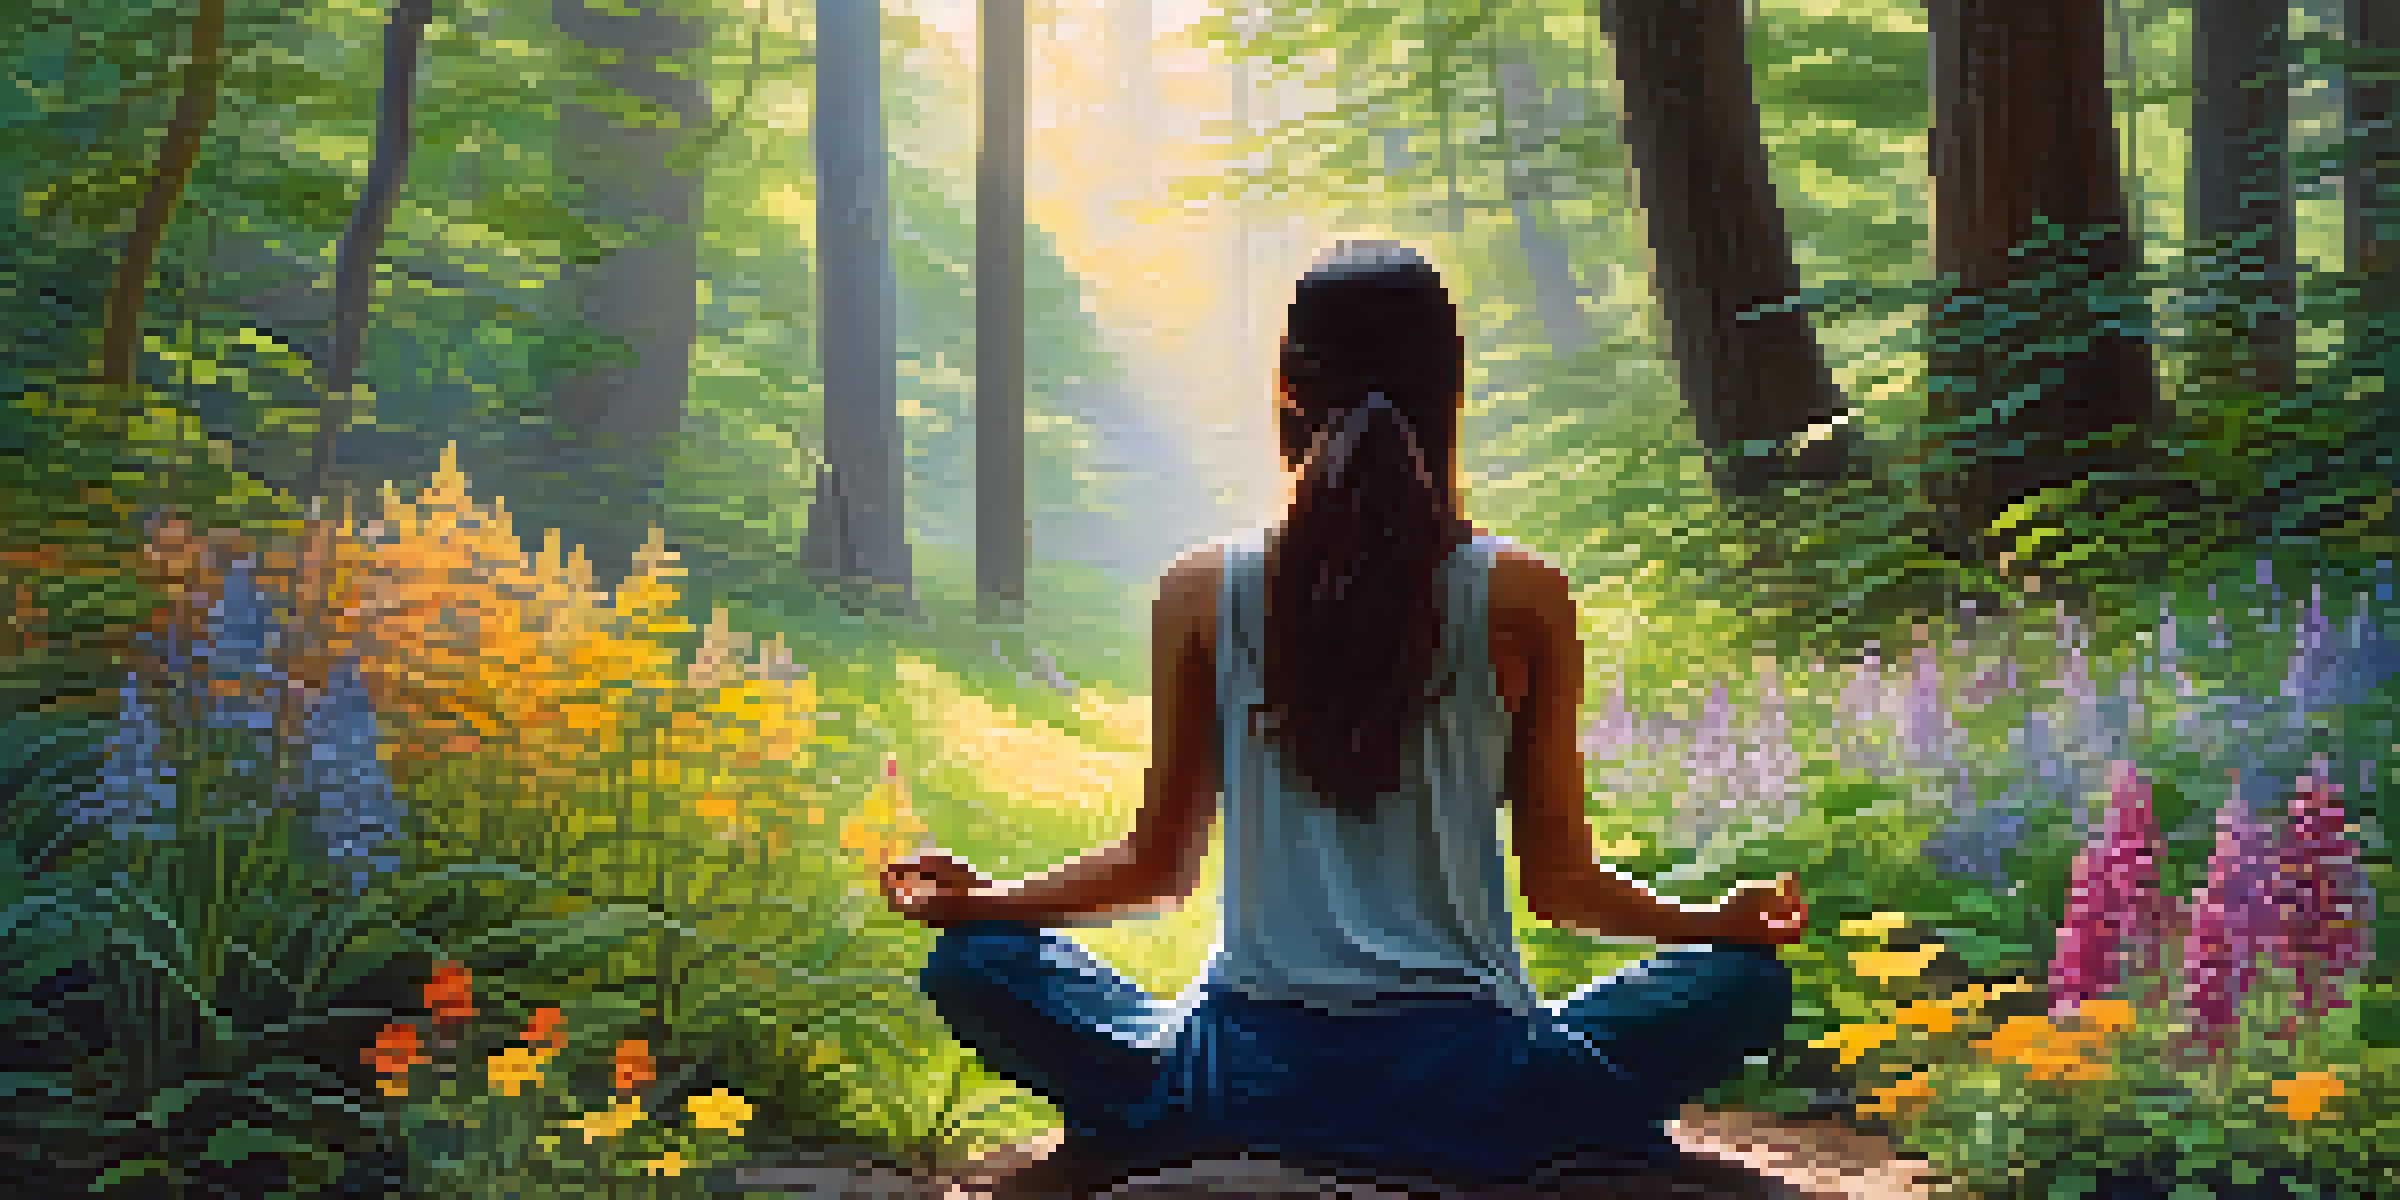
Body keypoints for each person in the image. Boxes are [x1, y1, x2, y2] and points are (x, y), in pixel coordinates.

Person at [879, 240, 1809, 1197]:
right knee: (1743, 984)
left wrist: (981, 905)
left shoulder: (1202, 590)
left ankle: (1164, 1130)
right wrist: (1712, 923)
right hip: (1478, 1082)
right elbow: (1561, 887)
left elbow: (1158, 869)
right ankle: (1539, 1138)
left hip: (1242, 1080)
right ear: (1454, 392)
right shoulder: (1523, 594)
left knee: (977, 964)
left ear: (1287, 386)